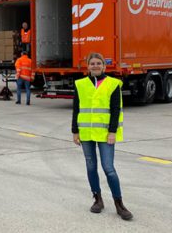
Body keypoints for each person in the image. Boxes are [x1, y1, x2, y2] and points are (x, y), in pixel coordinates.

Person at [73, 52, 131, 220]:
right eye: (92, 63)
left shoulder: (113, 84)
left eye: (99, 63)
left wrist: (112, 132)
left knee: (108, 168)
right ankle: (97, 199)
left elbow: (116, 110)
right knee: (91, 167)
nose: (96, 66)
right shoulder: (80, 84)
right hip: (86, 133)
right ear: (88, 66)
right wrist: (75, 131)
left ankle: (119, 203)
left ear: (104, 66)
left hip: (106, 134)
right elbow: (76, 109)